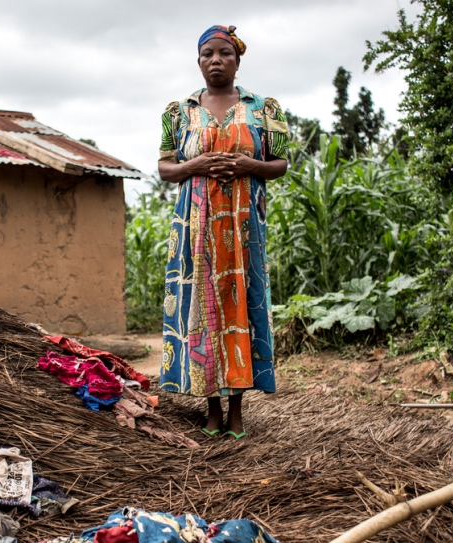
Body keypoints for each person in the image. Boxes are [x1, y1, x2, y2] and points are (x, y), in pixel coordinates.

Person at [158, 25, 289, 440]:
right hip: (196, 229)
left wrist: (249, 166)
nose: (215, 60)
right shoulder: (178, 113)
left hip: (243, 227)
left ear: (237, 60)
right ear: (198, 62)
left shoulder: (263, 108)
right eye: (207, 54)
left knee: (239, 311)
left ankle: (237, 411)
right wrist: (194, 166)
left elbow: (280, 164)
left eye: (224, 54)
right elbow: (164, 168)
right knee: (203, 309)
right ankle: (210, 407)